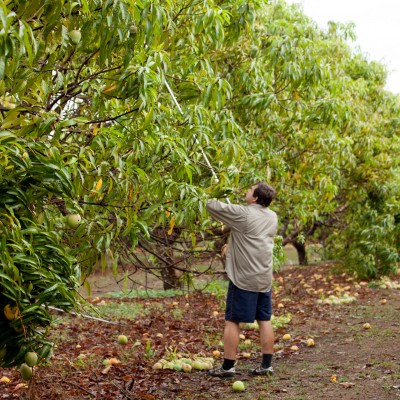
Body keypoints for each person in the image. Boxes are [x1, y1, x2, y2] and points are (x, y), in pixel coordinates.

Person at [206, 181, 278, 377]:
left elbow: (211, 205)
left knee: (232, 320)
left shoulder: (243, 214)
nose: (246, 191)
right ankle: (266, 365)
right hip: (263, 278)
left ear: (255, 198)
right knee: (264, 319)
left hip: (243, 279)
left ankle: (228, 367)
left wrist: (215, 189)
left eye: (249, 190)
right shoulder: (272, 217)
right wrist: (233, 246)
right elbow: (251, 238)